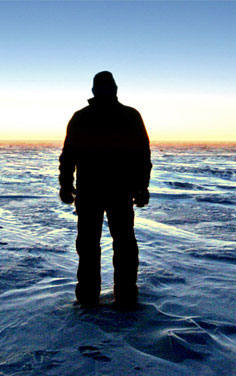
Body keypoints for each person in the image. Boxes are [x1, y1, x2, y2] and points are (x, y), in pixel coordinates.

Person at [59, 71, 151, 308]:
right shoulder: (124, 116)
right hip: (100, 193)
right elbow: (68, 156)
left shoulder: (92, 117)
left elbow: (142, 155)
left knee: (115, 245)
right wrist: (66, 185)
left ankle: (114, 296)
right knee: (104, 245)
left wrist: (141, 186)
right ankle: (105, 297)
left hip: (111, 192)